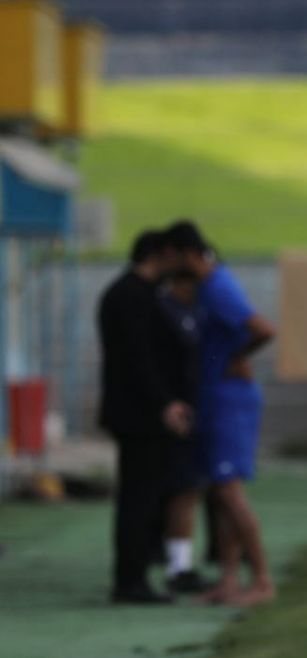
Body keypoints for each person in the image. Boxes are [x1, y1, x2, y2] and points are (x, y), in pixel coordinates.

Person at [165, 220, 277, 607]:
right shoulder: (212, 285)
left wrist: (234, 359)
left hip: (231, 399)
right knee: (221, 490)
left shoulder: (218, 286)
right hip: (217, 396)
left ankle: (262, 579)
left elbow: (263, 329)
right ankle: (230, 580)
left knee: (229, 491)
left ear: (184, 254)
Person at [97, 230, 191, 604]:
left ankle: (135, 574)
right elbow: (137, 360)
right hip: (138, 415)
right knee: (138, 498)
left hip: (138, 411)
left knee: (143, 495)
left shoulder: (134, 293)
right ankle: (130, 580)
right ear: (160, 254)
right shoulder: (131, 296)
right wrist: (163, 403)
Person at [156, 269, 213, 593]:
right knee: (182, 489)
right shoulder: (168, 312)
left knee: (187, 489)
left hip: (186, 409)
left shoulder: (187, 312)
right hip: (176, 412)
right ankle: (177, 565)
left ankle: (179, 562)